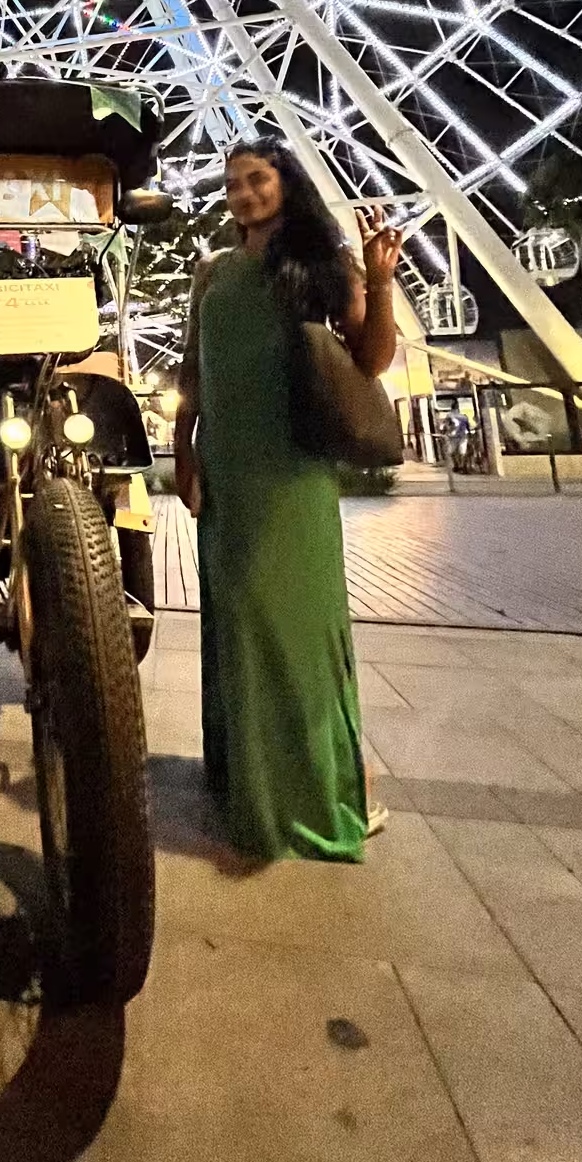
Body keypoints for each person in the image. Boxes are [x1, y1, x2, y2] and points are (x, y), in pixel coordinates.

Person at [173, 136, 403, 863]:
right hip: (230, 467)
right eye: (234, 183)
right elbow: (193, 376)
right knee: (240, 624)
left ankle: (330, 788)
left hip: (292, 470)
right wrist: (184, 455)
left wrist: (379, 279)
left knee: (302, 635)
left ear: (285, 183)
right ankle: (250, 784)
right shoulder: (210, 272)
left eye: (258, 179)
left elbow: (368, 359)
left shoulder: (318, 263)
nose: (245, 193)